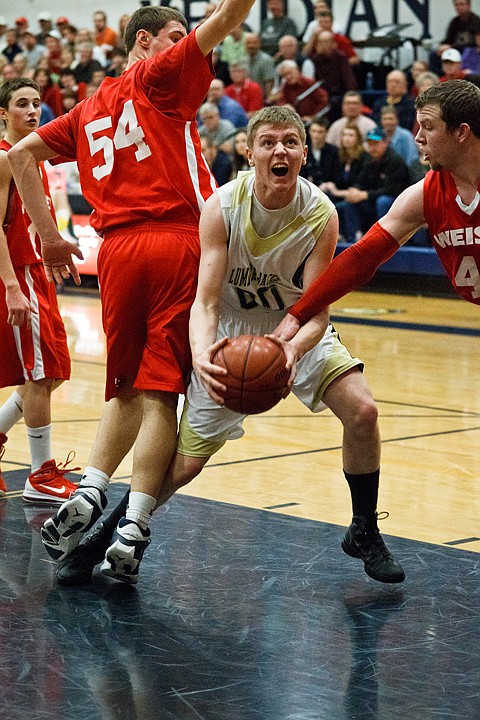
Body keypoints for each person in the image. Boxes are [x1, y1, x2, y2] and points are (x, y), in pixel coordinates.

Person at [52, 106, 405, 588]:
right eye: (268, 142)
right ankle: (112, 533)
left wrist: (291, 349)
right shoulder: (223, 204)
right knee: (186, 465)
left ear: (304, 152)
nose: (279, 150)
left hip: (294, 326)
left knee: (363, 411)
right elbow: (206, 301)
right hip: (230, 332)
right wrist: (201, 354)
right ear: (249, 151)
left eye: (290, 141)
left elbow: (317, 307)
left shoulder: (321, 213)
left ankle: (364, 530)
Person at [8, 1, 258, 585]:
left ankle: (93, 491)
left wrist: (49, 238)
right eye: (175, 36)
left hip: (116, 253)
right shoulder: (159, 74)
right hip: (174, 241)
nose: (191, 47)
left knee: (122, 391)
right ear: (144, 42)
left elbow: (22, 156)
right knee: (160, 398)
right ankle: (134, 527)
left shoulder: (89, 107)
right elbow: (227, 19)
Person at [273, 81, 480, 350]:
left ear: (461, 132)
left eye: (428, 127)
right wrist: (297, 314)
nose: (418, 137)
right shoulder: (425, 194)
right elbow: (362, 257)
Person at [0, 77, 78, 503]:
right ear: (3, 115)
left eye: (36, 104)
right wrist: (12, 285)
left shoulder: (36, 160)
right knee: (39, 373)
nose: (33, 111)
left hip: (37, 274)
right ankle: (40, 474)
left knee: (50, 373)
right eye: (22, 104)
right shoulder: (4, 160)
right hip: (18, 277)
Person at [332, 126, 410, 243]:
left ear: (385, 143)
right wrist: (355, 191)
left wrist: (366, 195)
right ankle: (353, 238)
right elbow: (361, 181)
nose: (372, 147)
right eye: (370, 144)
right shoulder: (369, 160)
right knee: (350, 202)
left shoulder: (395, 161)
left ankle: (386, 239)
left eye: (376, 143)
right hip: (373, 199)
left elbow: (392, 189)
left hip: (395, 202)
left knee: (383, 201)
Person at [300, 116, 340, 186]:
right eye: (314, 131)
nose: (316, 135)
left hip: (328, 189)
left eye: (320, 132)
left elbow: (336, 175)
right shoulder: (302, 150)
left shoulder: (334, 152)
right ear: (309, 131)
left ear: (326, 133)